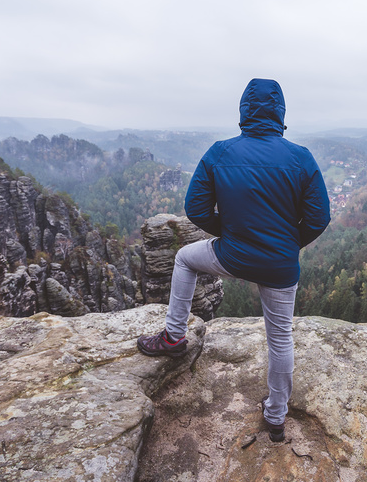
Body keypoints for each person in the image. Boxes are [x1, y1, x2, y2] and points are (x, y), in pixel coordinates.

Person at [137, 78, 330, 442]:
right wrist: (289, 244)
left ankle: (174, 337)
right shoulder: (301, 157)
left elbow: (195, 207)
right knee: (280, 339)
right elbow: (318, 218)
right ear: (280, 113)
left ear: (243, 112)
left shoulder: (220, 152)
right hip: (280, 266)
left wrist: (229, 233)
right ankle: (276, 417)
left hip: (231, 255)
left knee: (184, 259)